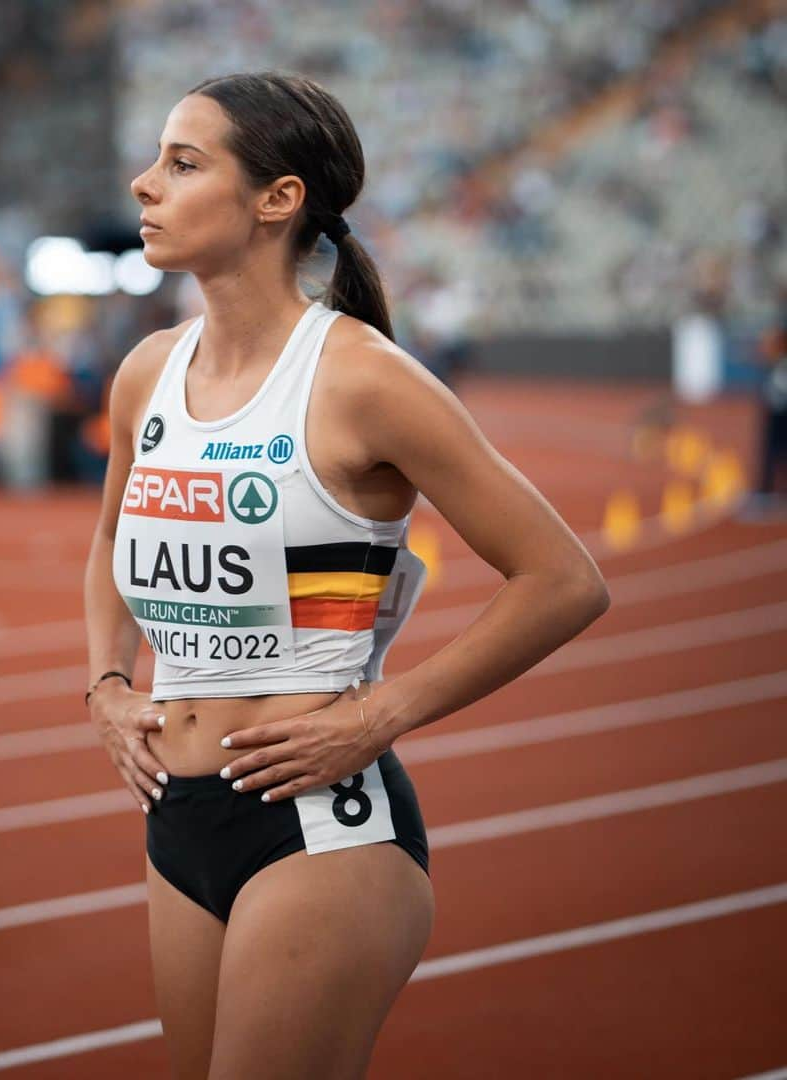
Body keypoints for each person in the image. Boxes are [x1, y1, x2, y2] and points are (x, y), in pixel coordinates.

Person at [83, 72, 610, 1080]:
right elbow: (108, 544)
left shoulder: (363, 377)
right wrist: (106, 684)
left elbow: (562, 577)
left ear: (276, 199)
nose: (145, 184)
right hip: (179, 823)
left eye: (183, 163)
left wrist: (386, 711)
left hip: (323, 828)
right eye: (157, 160)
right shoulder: (148, 370)